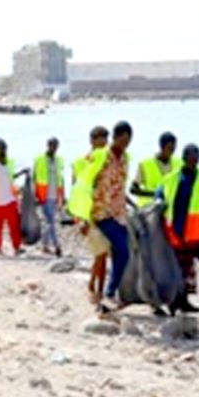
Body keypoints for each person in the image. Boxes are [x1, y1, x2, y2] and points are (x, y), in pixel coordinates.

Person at [158, 144, 199, 325]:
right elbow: (160, 196)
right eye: (192, 156)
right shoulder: (172, 179)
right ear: (184, 157)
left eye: (198, 156)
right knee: (183, 277)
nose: (196, 160)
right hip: (180, 237)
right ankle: (177, 308)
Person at [87, 121, 132, 310]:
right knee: (118, 251)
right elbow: (84, 184)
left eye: (129, 140)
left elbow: (121, 186)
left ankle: (109, 292)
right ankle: (107, 291)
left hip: (119, 212)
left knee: (121, 253)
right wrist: (81, 216)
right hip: (100, 212)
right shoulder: (100, 157)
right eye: (124, 139)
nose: (126, 144)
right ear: (116, 137)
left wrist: (129, 203)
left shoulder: (125, 158)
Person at [69, 126, 111, 304]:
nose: (103, 148)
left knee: (102, 254)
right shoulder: (80, 163)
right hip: (89, 215)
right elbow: (76, 192)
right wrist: (80, 219)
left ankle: (93, 285)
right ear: (92, 141)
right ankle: (99, 292)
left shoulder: (111, 162)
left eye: (105, 143)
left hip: (107, 213)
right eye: (100, 143)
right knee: (101, 254)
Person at [0, 139, 26, 256]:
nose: (3, 150)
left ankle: (17, 248)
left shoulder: (9, 163)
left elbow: (10, 177)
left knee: (14, 226)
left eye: (4, 148)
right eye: (0, 148)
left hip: (10, 199)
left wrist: (21, 173)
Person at [130, 131, 182, 208]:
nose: (172, 152)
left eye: (173, 149)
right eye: (169, 148)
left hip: (170, 209)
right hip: (149, 210)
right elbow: (133, 189)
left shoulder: (179, 164)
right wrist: (155, 193)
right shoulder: (145, 164)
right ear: (162, 147)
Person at [33, 137, 65, 256]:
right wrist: (34, 195)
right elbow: (34, 177)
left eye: (56, 145)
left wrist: (63, 196)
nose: (54, 148)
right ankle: (56, 245)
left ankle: (45, 245)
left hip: (54, 194)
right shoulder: (40, 159)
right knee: (50, 221)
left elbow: (61, 178)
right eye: (52, 145)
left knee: (48, 221)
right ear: (47, 145)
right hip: (43, 195)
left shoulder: (59, 160)